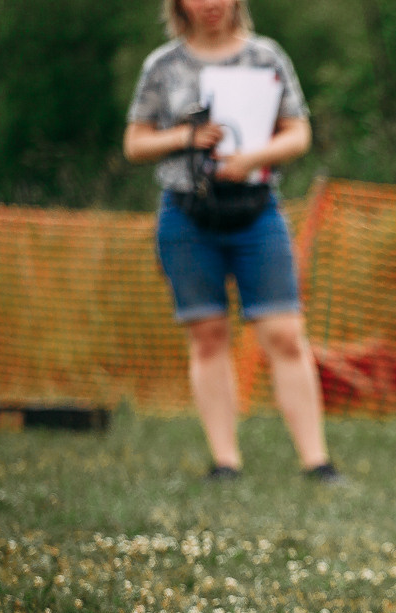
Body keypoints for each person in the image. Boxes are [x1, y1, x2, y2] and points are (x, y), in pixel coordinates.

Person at [124, 0, 340, 482]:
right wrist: (186, 138)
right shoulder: (162, 64)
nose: (211, 4)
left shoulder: (266, 56)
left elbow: (298, 132)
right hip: (187, 215)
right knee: (207, 337)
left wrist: (252, 158)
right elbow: (135, 142)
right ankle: (225, 462)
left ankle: (317, 462)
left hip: (256, 211)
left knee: (285, 334)